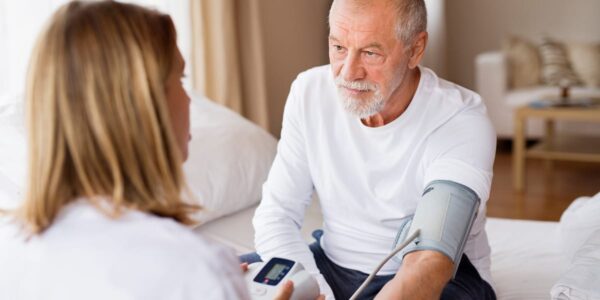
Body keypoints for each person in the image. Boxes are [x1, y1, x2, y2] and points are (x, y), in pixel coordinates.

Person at [0, 2, 301, 299]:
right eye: (180, 79)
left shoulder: (14, 253)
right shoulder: (195, 271)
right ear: (142, 108)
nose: (189, 100)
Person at [244, 0, 497, 299]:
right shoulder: (308, 92)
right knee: (215, 277)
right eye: (339, 48)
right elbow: (277, 215)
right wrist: (315, 290)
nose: (349, 73)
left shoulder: (459, 118)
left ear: (416, 49)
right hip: (330, 265)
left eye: (370, 53)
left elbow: (430, 261)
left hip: (438, 276)